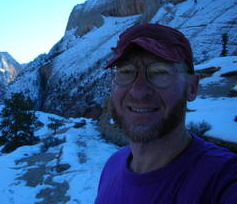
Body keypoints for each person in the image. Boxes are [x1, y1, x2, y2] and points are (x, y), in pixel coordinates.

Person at [95, 24, 237, 204]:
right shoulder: (112, 165)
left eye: (159, 72)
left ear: (192, 88)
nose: (138, 92)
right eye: (125, 72)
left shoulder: (223, 180)